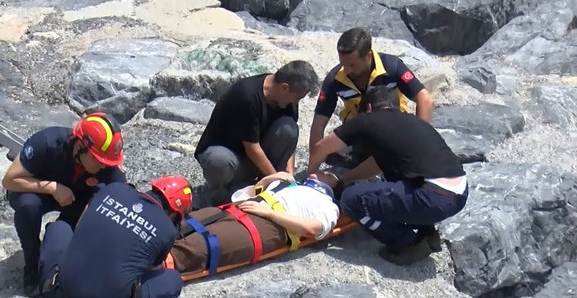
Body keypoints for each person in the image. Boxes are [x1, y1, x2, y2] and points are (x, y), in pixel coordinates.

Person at [37, 176, 193, 298]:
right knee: (172, 281)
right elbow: (151, 269)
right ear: (175, 214)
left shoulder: (114, 190)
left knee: (59, 228)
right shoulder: (166, 228)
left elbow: (80, 227)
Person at [309, 85, 467, 265]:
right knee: (393, 173)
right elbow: (376, 165)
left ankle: (405, 243)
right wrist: (345, 180)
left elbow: (320, 148)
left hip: (431, 198)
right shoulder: (412, 122)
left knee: (351, 199)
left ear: (368, 108)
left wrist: (312, 174)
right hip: (459, 194)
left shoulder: (368, 120)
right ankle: (427, 233)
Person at [1, 112, 127, 297]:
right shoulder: (48, 141)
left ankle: (63, 261)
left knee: (76, 229)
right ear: (81, 146)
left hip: (77, 201)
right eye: (99, 160)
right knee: (28, 206)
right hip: (40, 192)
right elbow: (9, 180)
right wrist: (53, 188)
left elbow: (121, 201)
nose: (103, 166)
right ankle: (32, 266)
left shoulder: (108, 167)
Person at [308, 27, 434, 173]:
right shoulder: (335, 79)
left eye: (352, 65)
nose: (347, 70)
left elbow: (425, 99)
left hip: (394, 129)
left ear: (368, 56)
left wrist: (418, 142)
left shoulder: (392, 67)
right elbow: (319, 122)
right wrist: (313, 167)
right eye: (343, 64)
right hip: (359, 133)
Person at [195, 60, 320, 206]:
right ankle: (222, 199)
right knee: (218, 161)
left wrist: (289, 176)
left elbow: (289, 141)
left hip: (258, 158)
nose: (297, 101)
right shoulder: (247, 96)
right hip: (232, 158)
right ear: (284, 87)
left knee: (289, 128)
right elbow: (252, 148)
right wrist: (277, 178)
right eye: (298, 97)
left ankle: (267, 189)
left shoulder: (286, 99)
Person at [167, 171, 340, 274]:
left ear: (335, 186)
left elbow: (314, 229)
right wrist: (266, 181)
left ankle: (149, 267)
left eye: (329, 173)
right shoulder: (288, 183)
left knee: (196, 247)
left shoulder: (328, 204)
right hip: (240, 207)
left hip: (269, 225)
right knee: (179, 225)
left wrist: (270, 214)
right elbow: (240, 196)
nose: (322, 171)